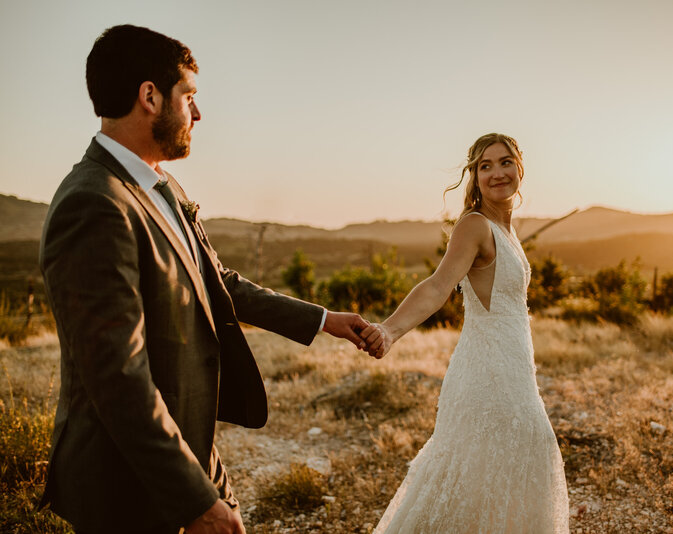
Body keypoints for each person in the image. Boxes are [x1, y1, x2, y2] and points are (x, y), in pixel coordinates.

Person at [39, 24, 382, 534]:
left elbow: (218, 279)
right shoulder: (94, 203)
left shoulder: (158, 183)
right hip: (129, 479)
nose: (198, 114)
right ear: (150, 97)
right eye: (190, 97)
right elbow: (117, 376)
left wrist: (323, 320)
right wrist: (194, 500)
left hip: (193, 442)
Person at [362, 133, 569, 533]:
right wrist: (389, 330)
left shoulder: (506, 230)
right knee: (497, 465)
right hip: (487, 375)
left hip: (514, 370)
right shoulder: (475, 225)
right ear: (473, 176)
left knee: (508, 466)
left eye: (505, 162)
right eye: (485, 166)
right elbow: (438, 286)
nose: (497, 173)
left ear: (520, 167)